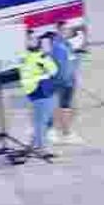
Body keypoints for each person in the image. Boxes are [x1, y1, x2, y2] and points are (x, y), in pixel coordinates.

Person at [19, 30, 61, 158]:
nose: (34, 40)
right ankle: (43, 149)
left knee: (46, 121)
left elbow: (54, 70)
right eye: (30, 39)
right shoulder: (29, 56)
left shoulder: (38, 55)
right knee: (41, 122)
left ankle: (34, 144)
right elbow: (52, 71)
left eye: (34, 38)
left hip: (46, 90)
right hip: (38, 92)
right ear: (24, 42)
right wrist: (43, 72)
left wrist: (45, 60)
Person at [45, 27, 84, 144]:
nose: (71, 32)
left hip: (68, 81)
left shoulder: (67, 45)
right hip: (61, 82)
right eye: (67, 30)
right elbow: (61, 68)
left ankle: (65, 132)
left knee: (65, 107)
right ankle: (54, 131)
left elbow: (72, 63)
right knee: (59, 107)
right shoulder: (58, 47)